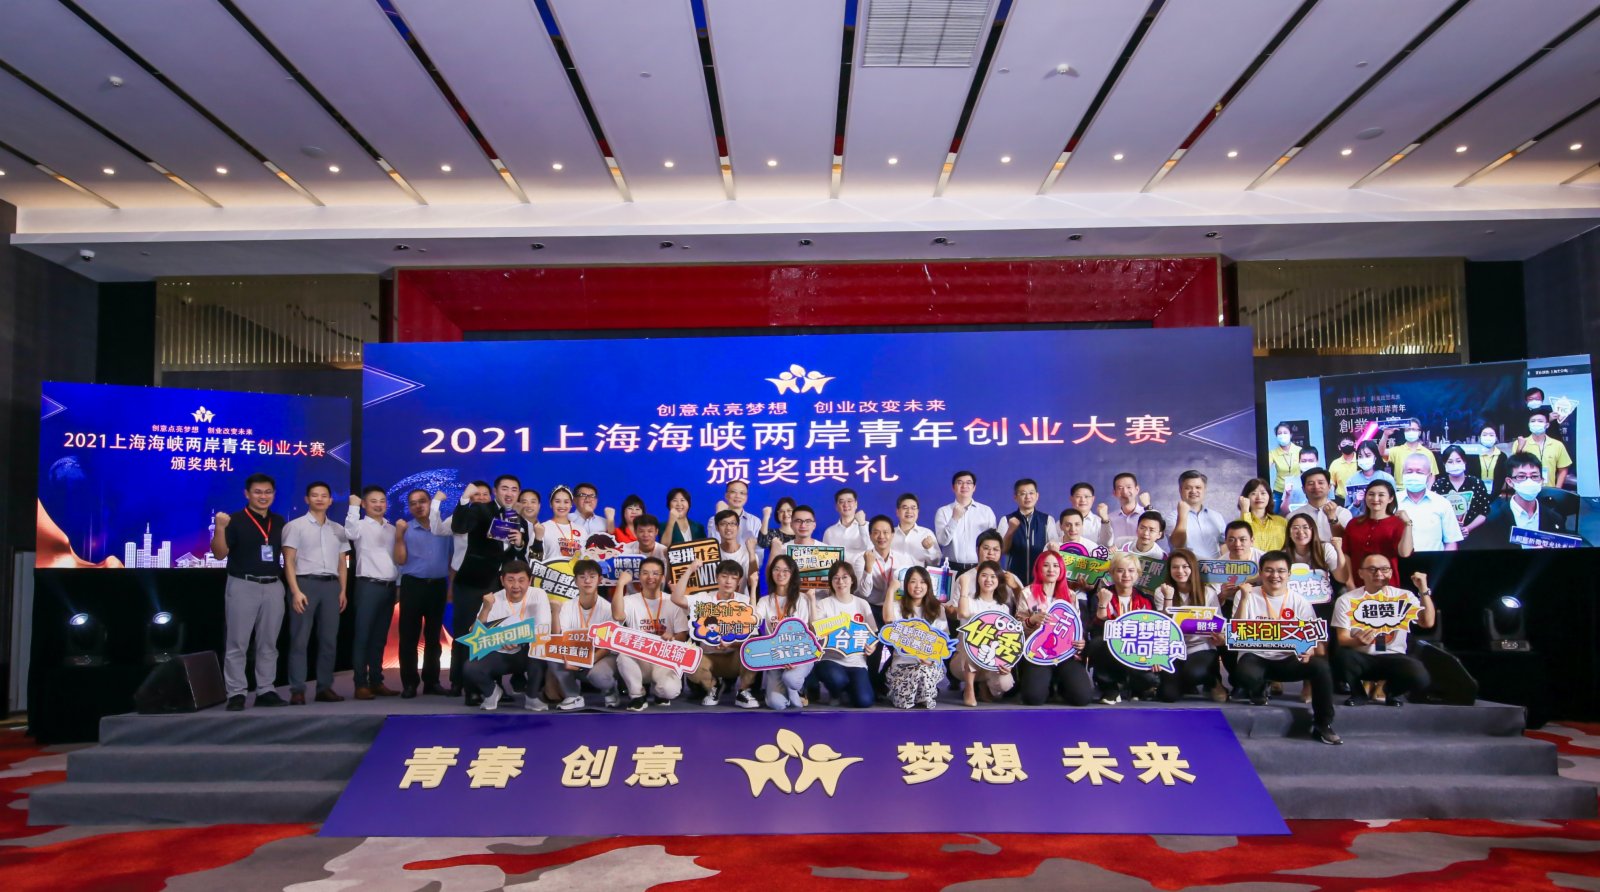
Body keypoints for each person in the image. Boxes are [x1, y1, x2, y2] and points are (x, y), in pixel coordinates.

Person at [1229, 551, 1342, 745]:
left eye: (1281, 571)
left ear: (1289, 574)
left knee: (1321, 667)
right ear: (1261, 573)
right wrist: (1245, 598)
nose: (1275, 575)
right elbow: (1237, 633)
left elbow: (1311, 639)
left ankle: (1323, 724)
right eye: (1269, 570)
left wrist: (1308, 651)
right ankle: (1259, 688)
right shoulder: (1247, 595)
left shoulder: (1299, 601)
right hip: (1256, 656)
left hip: (1287, 659)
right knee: (1244, 676)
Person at [214, 474, 290, 710]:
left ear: (274, 494)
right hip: (243, 585)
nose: (263, 496)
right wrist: (219, 528)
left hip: (273, 586)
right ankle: (236, 693)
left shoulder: (279, 522)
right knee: (237, 643)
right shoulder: (235, 520)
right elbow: (219, 553)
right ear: (247, 494)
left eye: (268, 492)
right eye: (258, 492)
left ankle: (266, 689)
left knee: (269, 643)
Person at [446, 480, 516, 704]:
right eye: (504, 488)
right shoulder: (481, 509)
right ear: (495, 491)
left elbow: (508, 551)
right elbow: (459, 527)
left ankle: (493, 686)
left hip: (499, 584)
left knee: (494, 636)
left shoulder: (514, 516)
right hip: (472, 582)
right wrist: (464, 499)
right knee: (469, 635)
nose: (509, 493)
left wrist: (520, 543)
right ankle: (470, 688)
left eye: (514, 489)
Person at [1333, 558, 1435, 707]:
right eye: (1372, 569)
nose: (1379, 573)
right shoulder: (1346, 600)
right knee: (1340, 656)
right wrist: (1357, 641)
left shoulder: (1404, 596)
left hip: (1393, 657)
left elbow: (1427, 622)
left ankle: (1392, 692)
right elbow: (1342, 638)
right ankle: (1358, 693)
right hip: (1362, 657)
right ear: (1360, 573)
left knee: (1420, 676)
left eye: (1384, 569)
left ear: (1391, 573)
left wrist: (1423, 590)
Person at [281, 481, 348, 706]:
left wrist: (343, 591)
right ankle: (297, 690)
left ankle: (324, 688)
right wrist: (295, 591)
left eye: (324, 495)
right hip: (304, 585)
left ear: (330, 500)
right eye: (315, 495)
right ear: (306, 499)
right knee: (300, 639)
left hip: (331, 586)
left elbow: (342, 563)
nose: (320, 499)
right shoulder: (295, 526)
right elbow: (289, 562)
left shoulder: (338, 529)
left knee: (329, 639)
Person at [463, 560, 551, 711]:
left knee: (540, 651)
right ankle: (492, 693)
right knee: (470, 667)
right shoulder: (494, 599)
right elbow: (474, 636)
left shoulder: (538, 594)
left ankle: (532, 697)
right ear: (502, 580)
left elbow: (544, 628)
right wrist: (486, 608)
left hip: (527, 652)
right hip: (500, 653)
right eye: (510, 580)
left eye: (521, 580)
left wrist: (519, 640)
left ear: (529, 581)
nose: (516, 585)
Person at [672, 558, 760, 708]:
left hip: (734, 658)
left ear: (739, 581)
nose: (728, 581)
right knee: (688, 660)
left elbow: (752, 633)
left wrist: (732, 644)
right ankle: (714, 687)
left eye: (733, 578)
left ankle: (743, 691)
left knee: (755, 649)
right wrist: (690, 570)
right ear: (717, 578)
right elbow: (676, 598)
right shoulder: (704, 599)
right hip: (709, 657)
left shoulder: (744, 601)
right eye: (724, 576)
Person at [392, 488, 453, 698]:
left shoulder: (444, 529)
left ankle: (432, 681)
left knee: (434, 637)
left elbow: (452, 561)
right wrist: (399, 536)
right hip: (413, 585)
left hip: (437, 586)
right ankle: (409, 683)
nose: (418, 506)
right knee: (409, 637)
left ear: (430, 503)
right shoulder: (405, 529)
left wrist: (451, 587)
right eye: (413, 503)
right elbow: (400, 560)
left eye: (422, 501)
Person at [1014, 551, 1093, 707]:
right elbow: (1016, 628)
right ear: (1038, 568)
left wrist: (1080, 642)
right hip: (1038, 653)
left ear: (1061, 570)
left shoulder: (1070, 595)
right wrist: (1031, 621)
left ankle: (1062, 686)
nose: (1051, 569)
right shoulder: (1027, 593)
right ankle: (1048, 686)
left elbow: (1076, 627)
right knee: (1033, 698)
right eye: (1046, 565)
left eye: (1056, 566)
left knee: (1083, 698)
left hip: (1065, 654)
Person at [608, 557, 689, 710]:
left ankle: (659, 692)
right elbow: (618, 615)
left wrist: (672, 637)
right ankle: (637, 696)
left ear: (663, 577)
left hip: (664, 658)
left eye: (655, 573)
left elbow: (682, 636)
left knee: (670, 691)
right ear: (639, 576)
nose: (650, 577)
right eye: (645, 573)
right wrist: (620, 584)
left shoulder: (673, 602)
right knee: (623, 656)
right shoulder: (630, 600)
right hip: (640, 658)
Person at [345, 486, 400, 700]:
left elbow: (398, 559)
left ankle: (377, 681)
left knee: (379, 638)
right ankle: (360, 684)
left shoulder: (392, 529)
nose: (379, 505)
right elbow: (349, 533)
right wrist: (353, 507)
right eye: (373, 501)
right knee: (363, 636)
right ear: (364, 504)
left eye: (382, 501)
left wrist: (398, 585)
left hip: (389, 587)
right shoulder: (359, 525)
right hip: (368, 586)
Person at [853, 515, 915, 695]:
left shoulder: (903, 559)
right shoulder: (861, 559)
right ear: (870, 535)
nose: (882, 536)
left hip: (895, 609)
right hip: (871, 609)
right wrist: (868, 568)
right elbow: (864, 592)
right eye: (876, 532)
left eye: (886, 532)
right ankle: (872, 686)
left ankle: (882, 681)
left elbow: (909, 587)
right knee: (874, 650)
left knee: (901, 648)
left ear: (892, 534)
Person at [1151, 548, 1222, 703]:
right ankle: (1183, 684)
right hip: (1173, 648)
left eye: (1185, 566)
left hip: (1200, 646)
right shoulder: (1161, 591)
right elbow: (1164, 626)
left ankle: (1213, 680)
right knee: (1168, 695)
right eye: (1175, 567)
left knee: (1193, 674)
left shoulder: (1207, 592)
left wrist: (1219, 636)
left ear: (1193, 568)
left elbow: (1219, 622)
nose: (1180, 571)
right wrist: (1168, 598)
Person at [549, 559, 621, 710]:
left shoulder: (608, 609)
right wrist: (555, 612)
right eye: (582, 577)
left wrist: (589, 659)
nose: (587, 581)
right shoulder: (567, 606)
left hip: (601, 656)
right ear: (575, 581)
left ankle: (610, 691)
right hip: (575, 654)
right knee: (553, 655)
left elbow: (609, 645)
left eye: (592, 576)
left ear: (599, 580)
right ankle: (572, 696)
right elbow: (558, 637)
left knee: (599, 676)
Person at [1088, 552, 1158, 704]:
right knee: (1097, 643)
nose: (1126, 575)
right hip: (1111, 648)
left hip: (1137, 649)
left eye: (1131, 570)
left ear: (1138, 574)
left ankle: (1135, 687)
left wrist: (1157, 655)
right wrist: (1103, 604)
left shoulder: (1146, 600)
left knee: (1152, 680)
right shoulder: (1101, 595)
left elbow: (1155, 632)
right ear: (1112, 573)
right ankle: (1110, 688)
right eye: (1120, 570)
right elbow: (1096, 629)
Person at [811, 561, 879, 708]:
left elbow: (873, 633)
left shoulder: (862, 604)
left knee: (864, 701)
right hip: (830, 660)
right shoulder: (824, 603)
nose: (840, 582)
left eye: (844, 577)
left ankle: (848, 689)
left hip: (857, 662)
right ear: (831, 582)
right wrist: (811, 600)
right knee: (837, 679)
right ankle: (835, 692)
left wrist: (872, 647)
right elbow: (815, 630)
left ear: (852, 580)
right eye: (836, 578)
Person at [1476, 452, 1580, 547]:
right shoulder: (1493, 518)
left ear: (1541, 480)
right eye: (1521, 476)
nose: (1529, 481)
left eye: (1534, 476)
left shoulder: (1555, 518)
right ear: (1510, 482)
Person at [753, 554, 815, 710]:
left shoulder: (802, 599)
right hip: (775, 657)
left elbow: (807, 632)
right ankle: (790, 692)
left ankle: (796, 688)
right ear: (771, 573)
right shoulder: (765, 601)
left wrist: (792, 656)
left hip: (800, 654)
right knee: (776, 704)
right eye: (777, 569)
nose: (781, 574)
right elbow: (752, 619)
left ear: (792, 573)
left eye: (786, 570)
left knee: (791, 678)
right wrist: (753, 587)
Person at [883, 565, 951, 709]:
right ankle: (906, 693)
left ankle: (924, 693)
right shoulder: (898, 606)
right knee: (904, 703)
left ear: (928, 585)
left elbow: (943, 640)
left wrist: (929, 658)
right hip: (902, 663)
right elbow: (888, 620)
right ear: (906, 585)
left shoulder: (937, 608)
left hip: (929, 663)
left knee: (923, 672)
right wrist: (891, 590)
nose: (918, 586)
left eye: (922, 582)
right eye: (913, 581)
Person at [954, 560, 1018, 706]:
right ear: (977, 579)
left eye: (993, 576)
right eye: (984, 575)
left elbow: (1006, 640)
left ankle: (983, 684)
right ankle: (969, 689)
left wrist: (1008, 663)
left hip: (990, 659)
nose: (988, 580)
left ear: (999, 580)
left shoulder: (1003, 608)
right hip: (964, 661)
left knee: (1005, 684)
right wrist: (964, 586)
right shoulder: (969, 602)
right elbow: (963, 613)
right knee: (971, 639)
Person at [1395, 452, 1463, 552]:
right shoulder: (1392, 502)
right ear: (1402, 474)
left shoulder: (1442, 503)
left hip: (1433, 561)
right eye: (1409, 472)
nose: (1413, 475)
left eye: (1419, 472)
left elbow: (1451, 542)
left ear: (1430, 476)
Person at [1341, 479, 1414, 572]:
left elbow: (1405, 553)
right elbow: (1346, 554)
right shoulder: (1353, 523)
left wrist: (1408, 524)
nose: (1375, 499)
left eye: (1381, 495)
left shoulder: (1398, 523)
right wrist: (1349, 580)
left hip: (1386, 579)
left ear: (1390, 498)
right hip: (1356, 578)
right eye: (1371, 494)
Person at [934, 470, 998, 573]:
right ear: (953, 487)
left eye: (968, 483)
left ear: (974, 487)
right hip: (951, 568)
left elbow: (993, 542)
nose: (964, 486)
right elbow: (942, 541)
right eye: (960, 482)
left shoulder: (986, 511)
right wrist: (954, 519)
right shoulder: (943, 511)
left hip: (979, 568)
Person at [1000, 478, 1058, 586]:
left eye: (1031, 493)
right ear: (1015, 497)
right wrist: (1010, 531)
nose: (1028, 497)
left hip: (1041, 580)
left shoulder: (1047, 520)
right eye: (1023, 493)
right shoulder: (1006, 520)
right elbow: (1002, 550)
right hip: (1013, 579)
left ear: (1037, 496)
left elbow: (1054, 550)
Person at [1433, 444, 1492, 540]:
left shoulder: (1477, 483)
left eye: (1458, 461)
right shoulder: (1438, 485)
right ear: (1444, 464)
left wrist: (1468, 528)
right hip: (1445, 535)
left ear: (1464, 462)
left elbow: (1484, 512)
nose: (1454, 465)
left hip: (1474, 534)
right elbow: (1435, 513)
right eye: (1450, 462)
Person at [1166, 470, 1226, 559]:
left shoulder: (1217, 516)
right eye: (1188, 488)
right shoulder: (1173, 517)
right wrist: (1182, 515)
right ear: (1180, 490)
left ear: (1204, 490)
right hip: (1187, 566)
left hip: (1214, 566)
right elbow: (1177, 544)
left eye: (1198, 487)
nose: (1193, 491)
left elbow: (1224, 544)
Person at [952, 530, 1024, 604]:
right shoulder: (965, 578)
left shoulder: (1011, 578)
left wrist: (1015, 587)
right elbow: (955, 608)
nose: (991, 553)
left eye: (995, 549)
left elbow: (1025, 607)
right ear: (977, 550)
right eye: (986, 548)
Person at [1284, 466, 1351, 544]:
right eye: (1311, 484)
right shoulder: (1293, 516)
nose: (1316, 486)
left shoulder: (1343, 513)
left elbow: (1348, 542)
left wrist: (1333, 519)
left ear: (1329, 487)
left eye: (1320, 483)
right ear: (1303, 489)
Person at [1512, 406, 1573, 490]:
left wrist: (1557, 490)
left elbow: (1563, 469)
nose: (1536, 423)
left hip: (1549, 490)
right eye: (1533, 421)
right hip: (1525, 490)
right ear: (1529, 425)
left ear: (1547, 425)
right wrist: (1519, 449)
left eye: (1540, 421)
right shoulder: (1519, 443)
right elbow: (1513, 466)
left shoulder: (1557, 445)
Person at [712, 509, 760, 596]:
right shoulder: (711, 553)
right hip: (715, 601)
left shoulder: (749, 554)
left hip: (740, 602)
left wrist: (751, 553)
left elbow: (753, 583)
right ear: (717, 528)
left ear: (738, 527)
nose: (728, 527)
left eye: (732, 523)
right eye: (723, 524)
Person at [1099, 473, 1152, 548]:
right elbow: (1104, 543)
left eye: (1129, 487)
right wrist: (1105, 520)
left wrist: (1148, 507)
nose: (1125, 491)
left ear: (1137, 489)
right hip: (1118, 555)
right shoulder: (1109, 518)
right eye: (1120, 488)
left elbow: (1159, 534)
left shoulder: (1148, 512)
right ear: (1114, 493)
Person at [1344, 441, 1395, 516]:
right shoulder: (1351, 481)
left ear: (1375, 457)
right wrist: (1356, 503)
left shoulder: (1387, 479)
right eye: (1360, 456)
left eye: (1368, 456)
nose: (1364, 459)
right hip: (1359, 521)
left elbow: (1394, 506)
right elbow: (1347, 513)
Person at [707, 479, 763, 546]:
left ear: (746, 497)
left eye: (742, 493)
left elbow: (758, 549)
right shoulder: (713, 520)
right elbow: (713, 545)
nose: (738, 496)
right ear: (726, 495)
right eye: (733, 492)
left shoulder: (755, 521)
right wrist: (719, 516)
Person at [892, 493, 943, 567]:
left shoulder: (926, 534)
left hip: (919, 574)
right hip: (893, 574)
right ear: (897, 512)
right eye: (905, 508)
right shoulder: (889, 534)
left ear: (918, 512)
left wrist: (929, 549)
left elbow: (936, 563)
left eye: (913, 508)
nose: (909, 511)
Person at [1237, 478, 1287, 552]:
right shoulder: (1238, 523)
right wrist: (1245, 510)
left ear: (1269, 496)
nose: (1259, 497)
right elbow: (1244, 537)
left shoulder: (1282, 522)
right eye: (1253, 493)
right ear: (1246, 498)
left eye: (1263, 493)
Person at [823, 487, 872, 557]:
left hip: (861, 564)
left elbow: (872, 549)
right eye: (841, 502)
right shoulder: (829, 532)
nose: (846, 505)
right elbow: (825, 556)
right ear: (836, 506)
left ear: (856, 504)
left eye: (849, 501)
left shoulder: (868, 526)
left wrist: (862, 525)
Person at [539, 485, 584, 561]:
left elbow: (584, 559)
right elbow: (535, 558)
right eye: (557, 501)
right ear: (551, 504)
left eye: (566, 502)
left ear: (571, 504)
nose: (562, 505)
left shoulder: (581, 530)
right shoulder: (542, 528)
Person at [1268, 422, 1301, 509]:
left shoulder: (1299, 450)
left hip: (1296, 490)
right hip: (1279, 490)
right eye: (1279, 433)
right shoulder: (1272, 453)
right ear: (1276, 436)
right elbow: (1266, 468)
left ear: (1291, 435)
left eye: (1285, 433)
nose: (1282, 435)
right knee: (1274, 513)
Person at [507, 489, 543, 563]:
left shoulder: (545, 528)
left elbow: (536, 561)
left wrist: (538, 540)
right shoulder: (510, 525)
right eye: (524, 502)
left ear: (539, 506)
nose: (529, 505)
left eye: (533, 502)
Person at [1279, 447, 1321, 512]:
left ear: (1317, 461)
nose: (1307, 463)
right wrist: (1287, 495)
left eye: (1311, 461)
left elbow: (1330, 507)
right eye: (1304, 461)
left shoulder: (1325, 481)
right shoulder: (1290, 481)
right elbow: (1284, 511)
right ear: (1299, 462)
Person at [1069, 482, 1110, 547]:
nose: (1083, 500)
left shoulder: (1100, 522)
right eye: (1078, 496)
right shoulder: (1061, 523)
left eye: (1086, 496)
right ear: (1071, 499)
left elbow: (1107, 545)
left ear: (1093, 499)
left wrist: (1105, 520)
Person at [1476, 424, 1507, 495]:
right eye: (1484, 435)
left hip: (1496, 495)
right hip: (1476, 494)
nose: (1488, 437)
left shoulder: (1502, 456)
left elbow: (1502, 478)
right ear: (1479, 437)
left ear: (1496, 438)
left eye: (1491, 435)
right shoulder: (1473, 456)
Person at [1328, 437, 1359, 502]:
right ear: (1339, 447)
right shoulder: (1335, 463)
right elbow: (1331, 483)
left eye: (1350, 443)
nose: (1347, 446)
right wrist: (1330, 499)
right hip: (1341, 500)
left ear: (1354, 445)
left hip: (1360, 499)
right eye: (1344, 444)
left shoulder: (1360, 460)